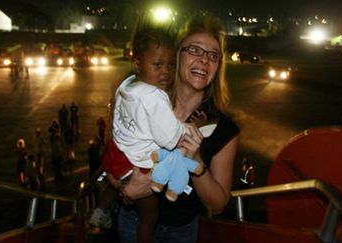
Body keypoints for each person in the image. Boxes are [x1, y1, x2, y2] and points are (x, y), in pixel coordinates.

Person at [112, 14, 240, 243]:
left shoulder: (224, 130)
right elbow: (111, 146)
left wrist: (197, 160)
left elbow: (218, 204)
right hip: (133, 220)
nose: (204, 60)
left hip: (181, 231)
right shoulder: (140, 98)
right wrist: (124, 187)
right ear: (176, 55)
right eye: (195, 50)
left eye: (213, 55)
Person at [94, 25, 181, 242]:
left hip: (116, 152)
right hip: (138, 167)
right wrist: (184, 128)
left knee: (114, 185)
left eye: (171, 64)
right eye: (158, 64)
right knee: (149, 217)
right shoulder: (154, 96)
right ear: (137, 64)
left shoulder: (127, 86)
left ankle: (100, 211)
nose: (166, 71)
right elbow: (169, 140)